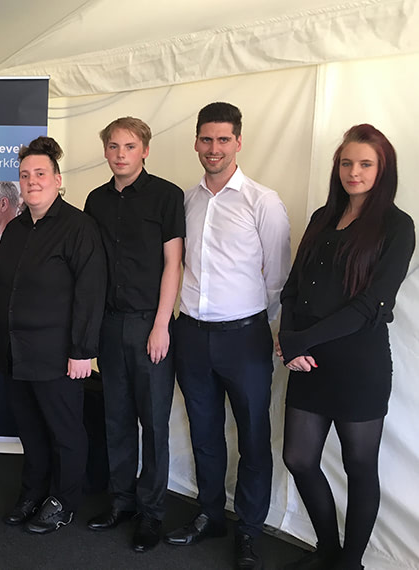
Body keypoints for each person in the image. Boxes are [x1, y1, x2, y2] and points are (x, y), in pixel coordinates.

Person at [278, 125, 414, 570]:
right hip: (309, 361)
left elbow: (369, 306)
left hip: (359, 364)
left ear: (383, 169)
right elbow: (294, 287)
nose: (354, 172)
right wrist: (288, 339)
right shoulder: (321, 217)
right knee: (298, 458)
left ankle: (349, 562)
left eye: (365, 163)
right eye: (347, 163)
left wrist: (299, 340)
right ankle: (328, 550)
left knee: (360, 467)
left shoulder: (397, 226)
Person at [164, 102, 291, 570]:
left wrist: (257, 324)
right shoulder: (186, 200)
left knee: (254, 435)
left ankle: (250, 530)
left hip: (245, 338)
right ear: (196, 142)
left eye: (223, 139)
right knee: (204, 432)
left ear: (238, 142)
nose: (213, 148)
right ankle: (210, 513)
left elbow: (277, 276)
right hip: (192, 336)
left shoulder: (263, 201)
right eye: (205, 139)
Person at [0, 136, 106, 534]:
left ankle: (64, 500)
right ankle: (33, 491)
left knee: (65, 431)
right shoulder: (15, 228)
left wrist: (83, 351)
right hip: (13, 350)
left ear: (57, 178)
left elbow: (90, 293)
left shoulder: (78, 227)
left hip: (57, 354)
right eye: (25, 175)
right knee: (30, 429)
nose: (32, 181)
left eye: (40, 174)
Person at [83, 117, 184, 552]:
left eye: (129, 146)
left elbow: (173, 264)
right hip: (109, 323)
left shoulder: (167, 195)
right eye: (113, 146)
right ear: (105, 151)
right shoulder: (95, 200)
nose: (120, 153)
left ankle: (152, 513)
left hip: (150, 324)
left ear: (145, 150)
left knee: (153, 424)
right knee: (116, 419)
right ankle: (121, 501)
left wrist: (162, 325)